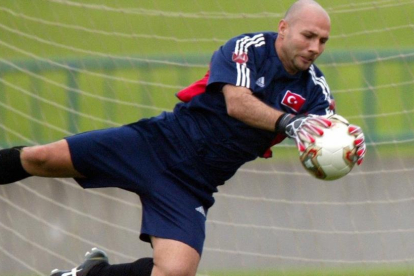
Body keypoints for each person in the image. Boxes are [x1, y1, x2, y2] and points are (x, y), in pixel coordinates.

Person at [0, 0, 366, 275]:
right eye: (309, 35)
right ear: (284, 28)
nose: (315, 47)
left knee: (175, 272)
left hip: (192, 184)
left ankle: (92, 274)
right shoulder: (247, 47)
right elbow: (238, 103)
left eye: (323, 40)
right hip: (153, 145)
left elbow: (322, 135)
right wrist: (289, 122)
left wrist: (345, 143)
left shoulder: (315, 90)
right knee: (40, 158)